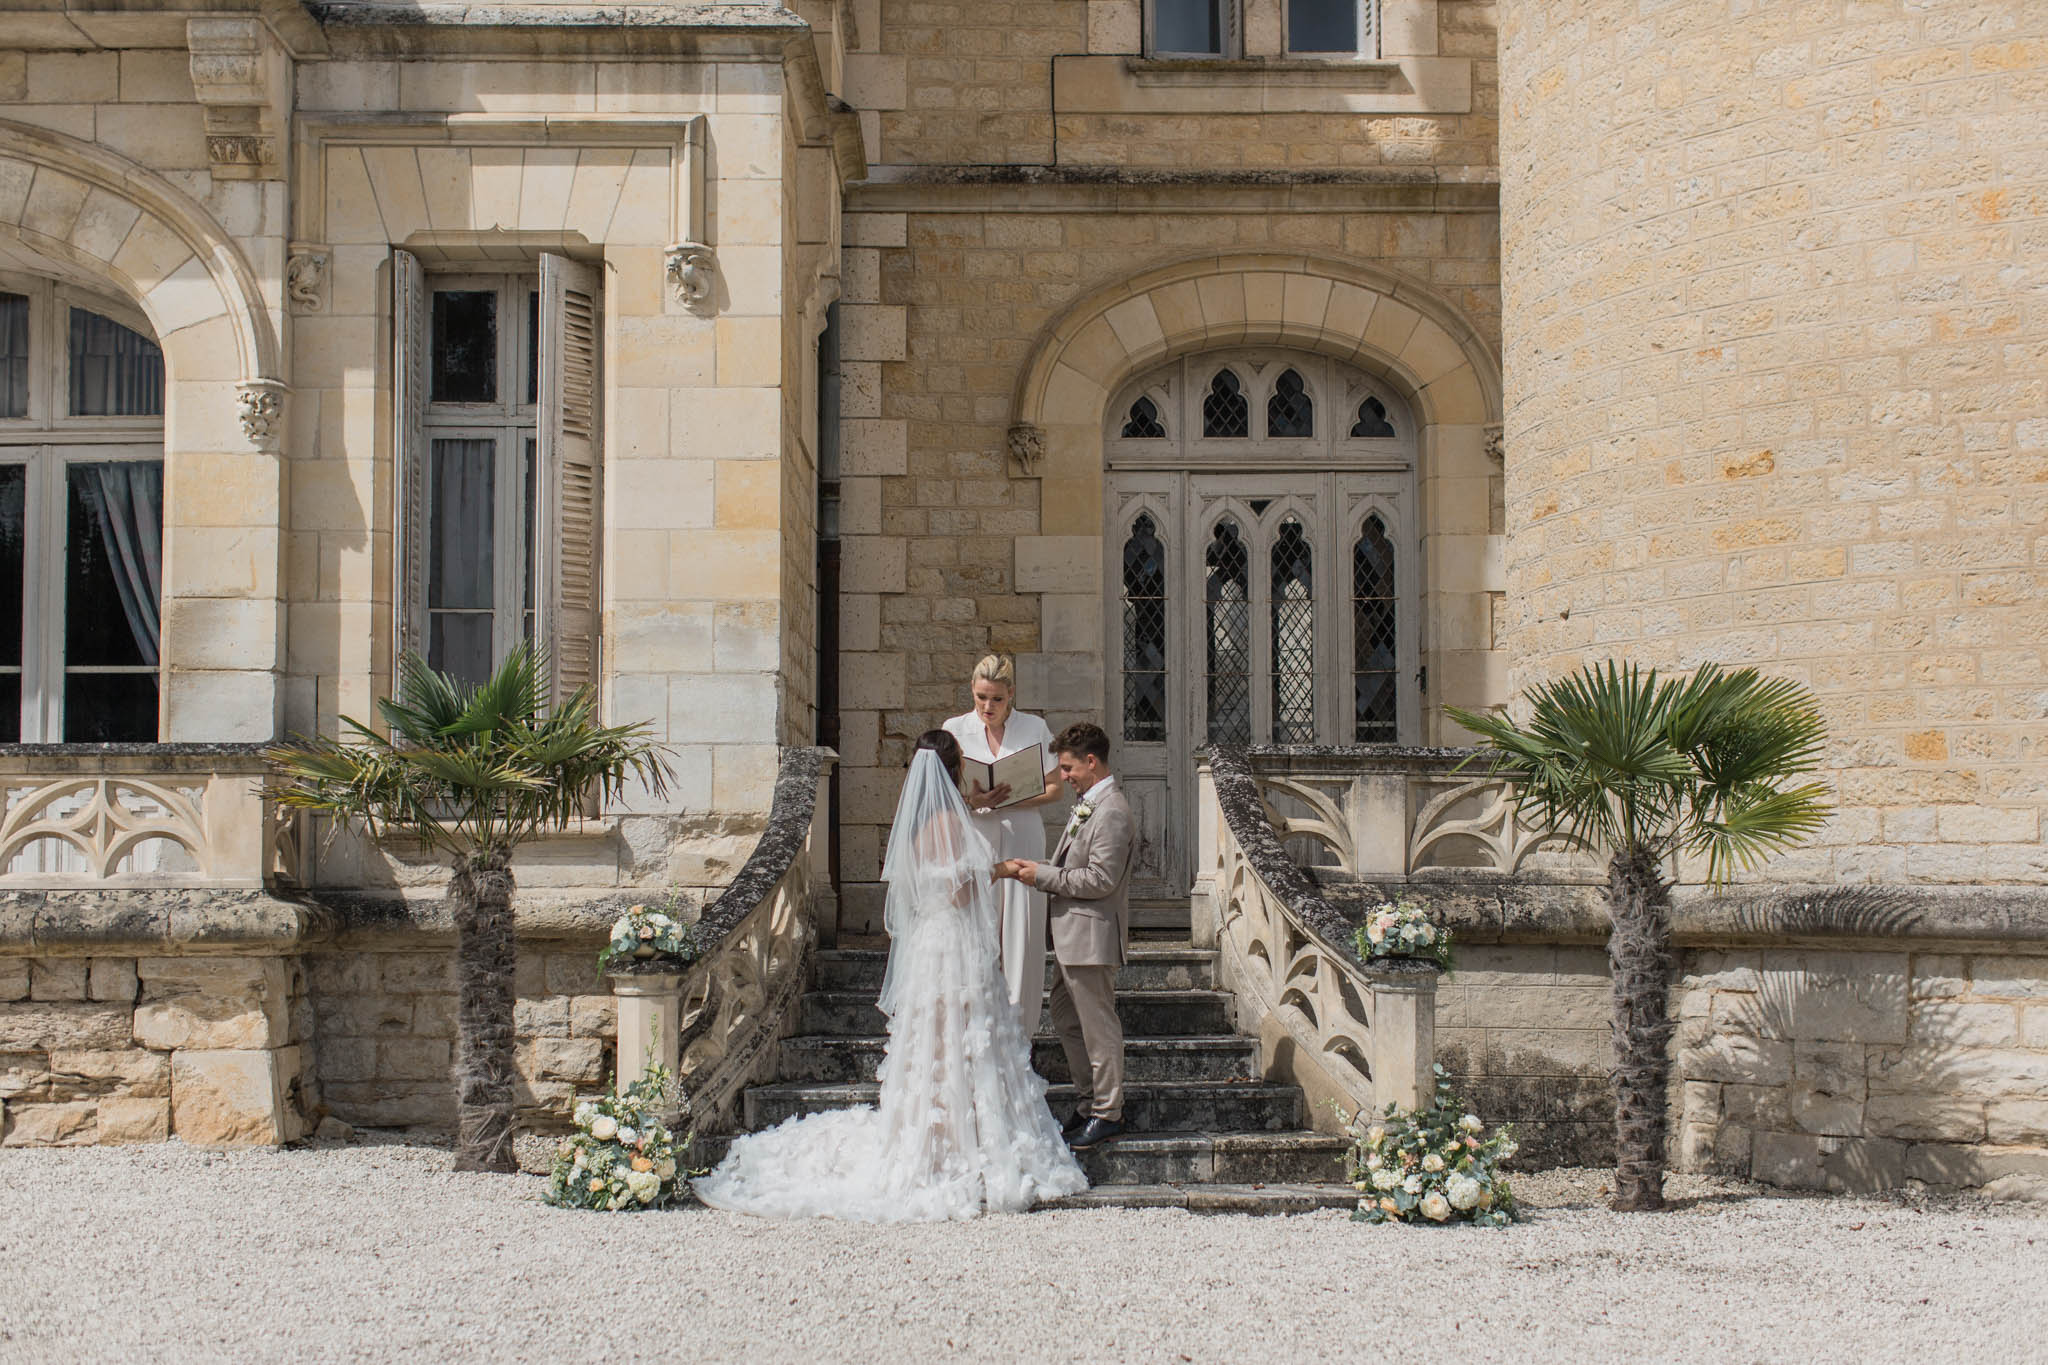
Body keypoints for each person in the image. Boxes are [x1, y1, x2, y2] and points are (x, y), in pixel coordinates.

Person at [693, 730, 1086, 1222]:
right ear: (954, 769)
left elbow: (928, 888)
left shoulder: (920, 822)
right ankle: (965, 1140)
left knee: (936, 1041)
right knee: (962, 1036)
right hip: (955, 948)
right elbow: (962, 892)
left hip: (930, 943)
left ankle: (934, 1134)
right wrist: (1001, 869)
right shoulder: (950, 821)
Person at [993, 722, 1136, 1152]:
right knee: (1066, 1016)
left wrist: (1041, 876)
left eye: (1069, 768)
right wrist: (1038, 866)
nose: (1064, 775)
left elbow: (1100, 879)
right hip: (1071, 935)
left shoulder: (1111, 809)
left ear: (1092, 762)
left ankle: (1109, 1112)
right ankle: (1088, 1100)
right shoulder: (1089, 803)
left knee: (1098, 1027)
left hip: (1091, 936)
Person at [942, 654, 1065, 1039]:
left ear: (1011, 695)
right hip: (975, 840)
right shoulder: (955, 728)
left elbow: (1055, 788)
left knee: (1022, 940)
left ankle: (1018, 1040)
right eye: (981, 697)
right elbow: (940, 794)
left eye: (996, 699)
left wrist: (1008, 800)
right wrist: (975, 800)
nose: (987, 707)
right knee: (974, 933)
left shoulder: (1035, 727)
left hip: (1022, 837)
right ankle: (974, 1037)